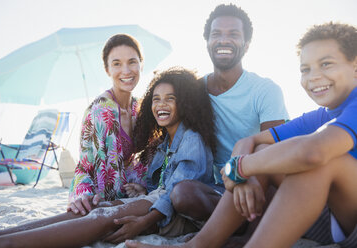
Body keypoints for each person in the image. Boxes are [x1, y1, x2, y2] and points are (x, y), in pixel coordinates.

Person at [125, 22, 357, 248]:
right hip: (327, 218)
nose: (314, 76)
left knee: (324, 161)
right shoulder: (321, 115)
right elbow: (250, 141)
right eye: (305, 69)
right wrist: (241, 175)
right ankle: (198, 245)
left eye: (326, 64)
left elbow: (312, 153)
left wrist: (240, 169)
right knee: (266, 151)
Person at [0, 67, 217, 247]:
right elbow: (163, 184)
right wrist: (142, 190)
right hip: (158, 201)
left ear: (185, 102)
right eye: (156, 98)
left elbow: (178, 191)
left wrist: (144, 221)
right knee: (96, 209)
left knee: (104, 217)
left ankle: (4, 244)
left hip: (176, 216)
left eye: (170, 98)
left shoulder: (192, 138)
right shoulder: (165, 142)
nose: (161, 104)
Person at [166, 3, 288, 236]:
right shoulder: (194, 91)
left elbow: (273, 154)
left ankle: (250, 234)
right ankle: (236, 222)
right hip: (221, 187)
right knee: (182, 195)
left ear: (247, 44)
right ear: (208, 42)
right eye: (216, 34)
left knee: (263, 152)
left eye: (233, 34)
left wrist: (241, 175)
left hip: (260, 180)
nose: (223, 40)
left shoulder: (265, 89)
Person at [68, 33, 147, 216]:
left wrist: (141, 186)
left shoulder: (139, 108)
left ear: (141, 64)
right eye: (117, 64)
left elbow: (141, 161)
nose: (126, 71)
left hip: (126, 193)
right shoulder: (102, 110)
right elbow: (86, 167)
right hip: (95, 195)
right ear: (107, 70)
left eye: (132, 62)